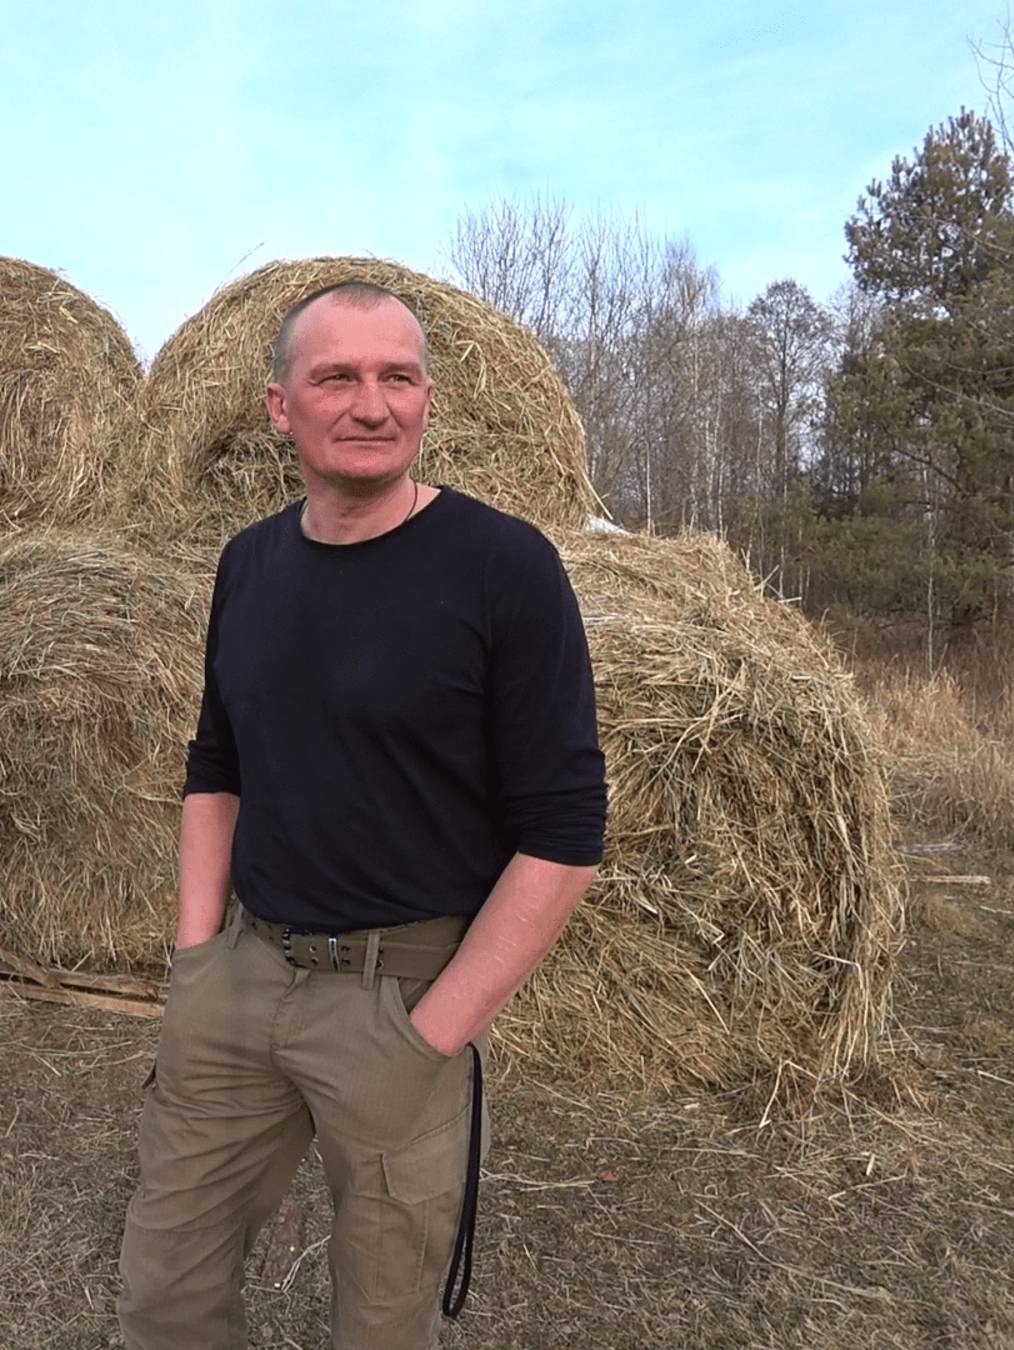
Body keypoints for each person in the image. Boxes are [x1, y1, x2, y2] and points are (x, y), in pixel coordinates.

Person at [116, 281, 607, 1348]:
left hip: (406, 993)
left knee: (383, 1323)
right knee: (165, 1293)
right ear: (279, 408)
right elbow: (216, 766)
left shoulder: (505, 567)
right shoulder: (249, 565)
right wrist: (198, 959)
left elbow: (565, 835)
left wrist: (431, 1035)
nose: (371, 403)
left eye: (398, 377)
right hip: (241, 980)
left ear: (429, 399)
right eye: (337, 376)